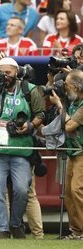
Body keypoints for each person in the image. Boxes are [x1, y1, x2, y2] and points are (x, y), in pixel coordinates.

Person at [0, 57, 45, 239]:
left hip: (21, 149)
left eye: (8, 73)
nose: (4, 76)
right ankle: (3, 229)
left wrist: (30, 126)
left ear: (16, 72)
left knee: (22, 190)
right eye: (1, 73)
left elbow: (40, 114)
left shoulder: (29, 90)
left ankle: (16, 224)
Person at [49, 69, 83, 240]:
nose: (65, 89)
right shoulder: (73, 101)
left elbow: (69, 126)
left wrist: (59, 105)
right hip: (73, 152)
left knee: (78, 190)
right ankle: (76, 231)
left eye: (68, 86)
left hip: (82, 153)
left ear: (76, 88)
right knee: (69, 192)